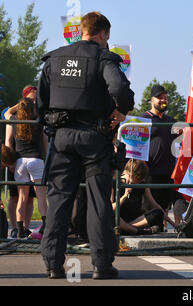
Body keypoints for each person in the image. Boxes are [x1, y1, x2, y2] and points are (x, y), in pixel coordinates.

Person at [37, 11, 134, 280]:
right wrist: (122, 110)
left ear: (82, 30)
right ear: (102, 33)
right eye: (107, 38)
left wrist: (52, 124)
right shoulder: (103, 57)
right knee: (98, 200)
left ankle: (53, 265)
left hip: (63, 138)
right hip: (94, 138)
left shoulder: (54, 58)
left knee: (58, 199)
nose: (107, 42)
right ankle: (101, 265)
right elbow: (119, 89)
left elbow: (41, 102)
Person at [6, 98, 48, 239]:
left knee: (22, 197)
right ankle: (45, 227)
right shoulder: (38, 122)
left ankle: (20, 229)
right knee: (41, 196)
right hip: (36, 159)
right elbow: (46, 145)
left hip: (20, 162)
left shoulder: (14, 120)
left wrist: (19, 105)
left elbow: (6, 114)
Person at [3, 86, 38, 238]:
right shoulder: (15, 115)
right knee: (14, 196)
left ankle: (26, 227)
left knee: (30, 197)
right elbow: (8, 140)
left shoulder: (36, 115)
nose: (34, 101)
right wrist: (10, 162)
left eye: (36, 98)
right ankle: (15, 227)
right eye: (31, 98)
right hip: (17, 159)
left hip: (33, 159)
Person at [141, 85, 178, 225]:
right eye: (159, 97)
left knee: (164, 207)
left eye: (165, 98)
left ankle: (162, 232)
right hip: (150, 173)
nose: (163, 100)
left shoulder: (172, 121)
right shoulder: (143, 119)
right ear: (151, 100)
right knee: (149, 210)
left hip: (168, 173)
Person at [111, 159, 176, 235]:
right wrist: (124, 197)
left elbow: (154, 204)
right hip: (120, 218)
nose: (139, 182)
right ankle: (135, 231)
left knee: (158, 214)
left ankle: (127, 228)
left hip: (135, 220)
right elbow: (110, 208)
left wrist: (172, 223)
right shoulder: (115, 183)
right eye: (138, 179)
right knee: (111, 216)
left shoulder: (142, 184)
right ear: (130, 174)